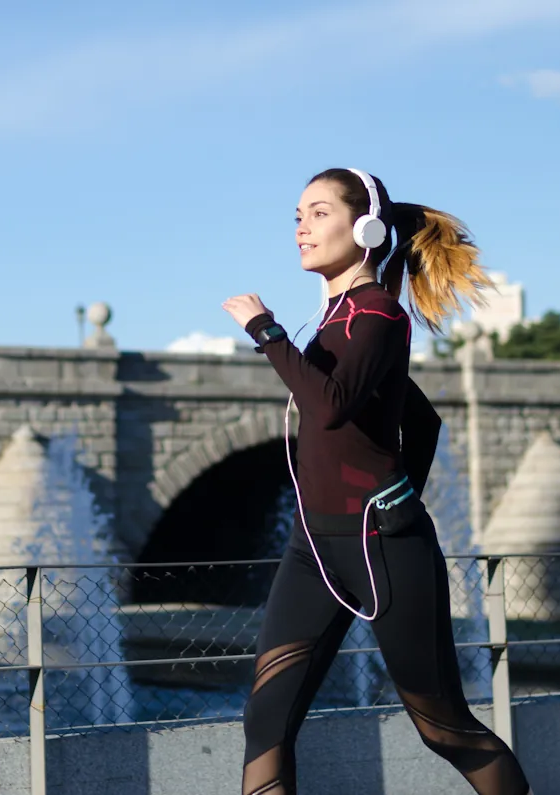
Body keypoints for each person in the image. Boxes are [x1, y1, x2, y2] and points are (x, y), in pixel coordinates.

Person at [221, 168, 532, 795]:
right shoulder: (335, 320)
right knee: (266, 721)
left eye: (318, 212)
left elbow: (329, 405)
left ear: (365, 228)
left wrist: (267, 333)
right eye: (297, 217)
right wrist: (397, 484)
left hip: (383, 548)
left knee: (442, 727)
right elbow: (419, 417)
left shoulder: (380, 314)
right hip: (313, 547)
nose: (302, 227)